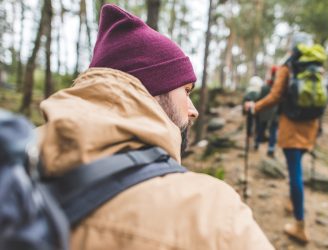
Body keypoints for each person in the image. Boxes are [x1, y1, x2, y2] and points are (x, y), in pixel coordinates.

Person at [37, 4, 274, 250]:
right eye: (185, 91)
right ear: (154, 90)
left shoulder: (17, 160)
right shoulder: (210, 213)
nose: (194, 110)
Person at [245, 33, 319, 243]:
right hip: (310, 126)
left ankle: (300, 225)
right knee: (297, 167)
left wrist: (254, 107)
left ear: (292, 48)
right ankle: (293, 200)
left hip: (291, 127)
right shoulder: (316, 68)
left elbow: (275, 96)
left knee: (294, 171)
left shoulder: (288, 67)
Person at [256, 66, 279, 157]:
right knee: (273, 131)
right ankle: (271, 148)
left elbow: (260, 98)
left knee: (261, 128)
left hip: (264, 112)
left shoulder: (265, 87)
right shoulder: (278, 86)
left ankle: (257, 143)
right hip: (274, 113)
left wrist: (257, 107)